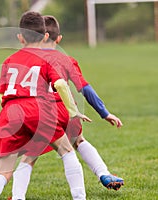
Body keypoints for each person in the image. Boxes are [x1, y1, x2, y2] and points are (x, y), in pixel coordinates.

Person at [10, 15, 124, 200]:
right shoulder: (65, 59)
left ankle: (18, 196)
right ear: (57, 38)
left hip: (38, 112)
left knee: (30, 155)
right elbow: (85, 89)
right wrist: (105, 113)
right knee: (78, 141)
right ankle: (103, 173)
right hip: (65, 112)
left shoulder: (28, 58)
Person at [0, 11, 91, 200]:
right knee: (66, 150)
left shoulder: (8, 61)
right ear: (45, 36)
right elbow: (61, 84)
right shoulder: (48, 59)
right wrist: (73, 111)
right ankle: (79, 198)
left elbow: (4, 93)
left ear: (20, 37)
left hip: (9, 113)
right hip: (38, 109)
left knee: (3, 172)